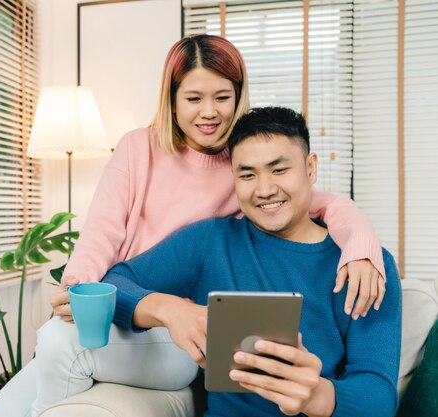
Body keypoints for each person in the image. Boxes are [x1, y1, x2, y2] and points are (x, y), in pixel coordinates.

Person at [0, 35, 386, 417]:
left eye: (222, 97)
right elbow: (101, 232)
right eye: (193, 98)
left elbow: (319, 203)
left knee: (56, 344)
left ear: (238, 97)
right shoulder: (138, 147)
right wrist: (78, 287)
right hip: (126, 306)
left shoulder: (242, 166)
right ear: (172, 102)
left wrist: (363, 246)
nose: (208, 112)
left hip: (178, 337)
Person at [101, 106, 402, 416]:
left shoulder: (365, 266)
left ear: (311, 169)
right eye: (247, 174)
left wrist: (316, 396)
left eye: (279, 169)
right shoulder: (211, 241)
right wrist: (169, 309)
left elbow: (379, 395)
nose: (265, 189)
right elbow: (112, 282)